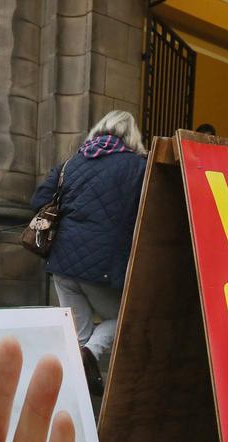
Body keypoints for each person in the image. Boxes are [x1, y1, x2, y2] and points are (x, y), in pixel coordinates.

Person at [31, 110, 147, 396]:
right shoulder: (138, 167)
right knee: (126, 318)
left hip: (61, 261)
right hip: (102, 265)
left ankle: (77, 398)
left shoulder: (71, 163)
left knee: (78, 335)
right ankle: (90, 355)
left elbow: (39, 200)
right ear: (131, 135)